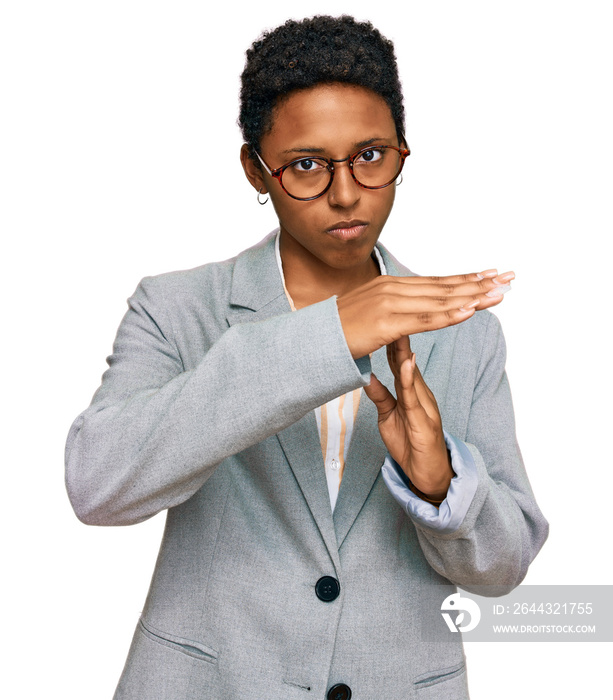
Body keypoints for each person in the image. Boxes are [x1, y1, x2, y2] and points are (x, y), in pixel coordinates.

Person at [65, 15, 548, 700]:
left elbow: (502, 569)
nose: (346, 193)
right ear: (253, 170)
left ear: (402, 151)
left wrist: (443, 485)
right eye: (305, 166)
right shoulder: (177, 307)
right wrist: (328, 337)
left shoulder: (463, 334)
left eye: (371, 155)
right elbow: (97, 483)